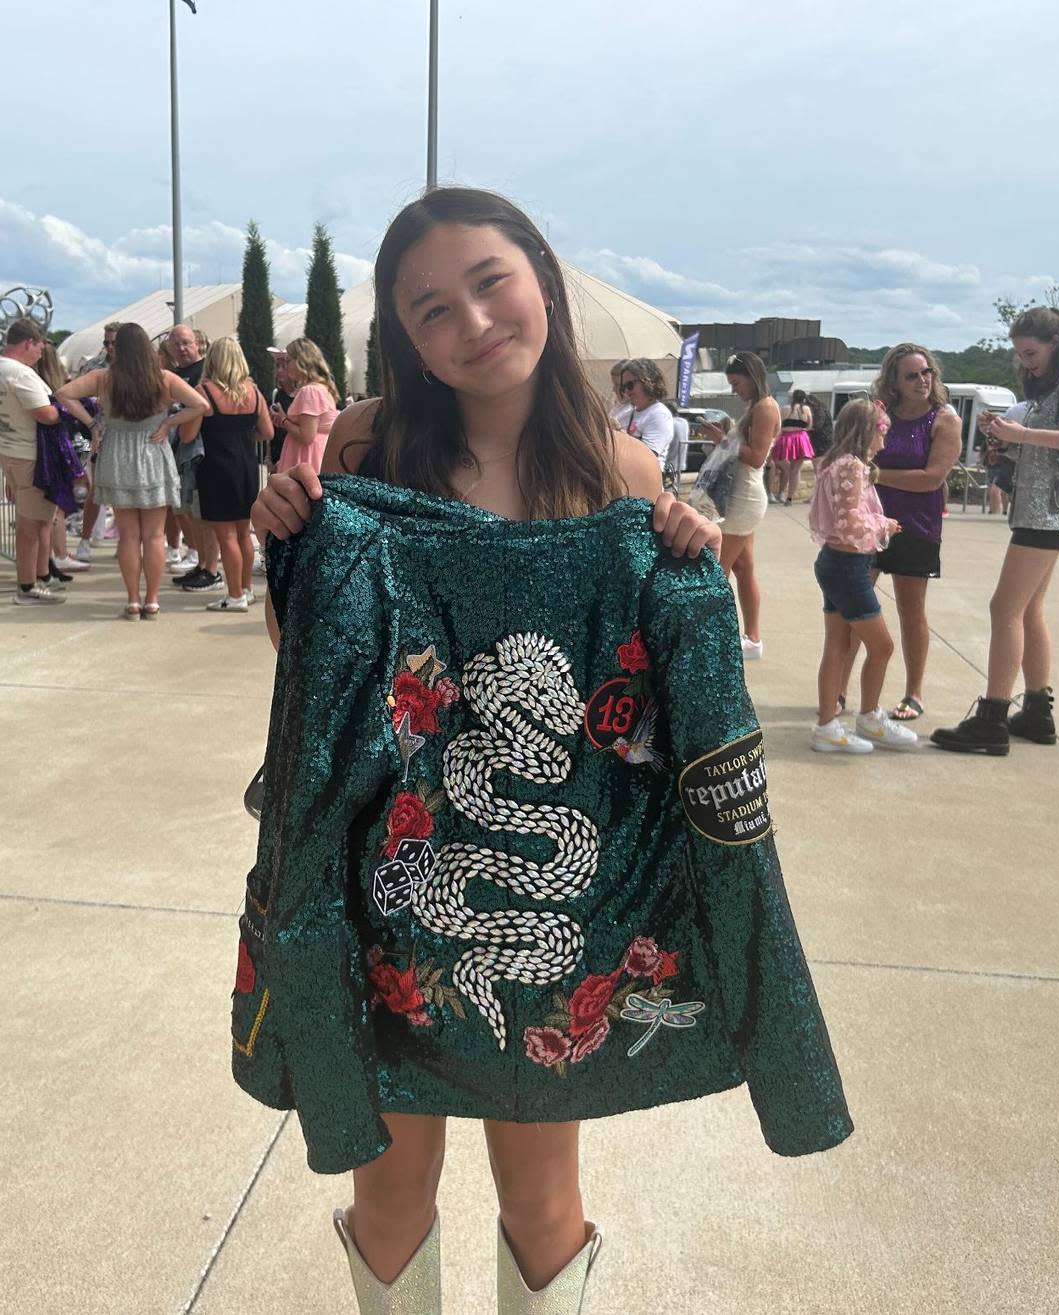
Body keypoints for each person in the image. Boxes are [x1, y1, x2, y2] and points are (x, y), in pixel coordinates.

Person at [240, 186, 851, 1315]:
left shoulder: (616, 465)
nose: (470, 321)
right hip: (387, 878)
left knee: (541, 1196)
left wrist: (691, 554)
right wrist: (288, 541)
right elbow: (309, 658)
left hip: (561, 905)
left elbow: (644, 691)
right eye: (430, 309)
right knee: (392, 1190)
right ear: (406, 337)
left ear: (541, 279)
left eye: (488, 281)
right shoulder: (370, 441)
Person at [932, 308, 1059, 755]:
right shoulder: (1054, 379)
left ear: (1056, 341)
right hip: (1046, 508)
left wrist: (1025, 434)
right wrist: (1012, 442)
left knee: (1004, 608)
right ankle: (1036, 710)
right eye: (1019, 354)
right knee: (1029, 609)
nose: (1026, 361)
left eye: (1031, 352)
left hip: (1051, 510)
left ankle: (992, 717)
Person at [838, 344, 962, 722]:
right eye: (912, 375)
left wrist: (876, 475)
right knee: (854, 612)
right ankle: (838, 690)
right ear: (893, 380)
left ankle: (914, 693)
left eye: (927, 373)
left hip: (916, 526)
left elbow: (932, 479)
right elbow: (853, 456)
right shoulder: (878, 414)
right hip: (867, 525)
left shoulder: (944, 420)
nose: (922, 381)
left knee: (912, 612)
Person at [58, 323, 209, 618]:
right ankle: (152, 600)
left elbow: (63, 393)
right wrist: (167, 424)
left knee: (128, 536)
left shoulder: (104, 379)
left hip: (117, 456)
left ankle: (132, 600)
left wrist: (93, 425)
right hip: (153, 452)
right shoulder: (164, 379)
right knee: (154, 536)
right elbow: (200, 405)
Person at [808, 400, 918, 753]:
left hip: (836, 563)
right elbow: (849, 523)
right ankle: (870, 717)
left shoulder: (835, 464)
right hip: (848, 566)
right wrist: (885, 524)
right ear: (866, 432)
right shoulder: (851, 467)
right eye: (881, 432)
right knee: (882, 645)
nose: (883, 442)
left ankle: (828, 724)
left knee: (837, 646)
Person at [696, 352, 780, 657]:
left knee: (718, 570)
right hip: (742, 497)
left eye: (736, 382)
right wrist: (725, 437)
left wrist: (724, 440)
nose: (734, 389)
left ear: (751, 376)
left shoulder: (764, 408)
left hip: (744, 498)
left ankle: (713, 639)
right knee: (743, 569)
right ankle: (752, 638)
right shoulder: (758, 407)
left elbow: (757, 456)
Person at [182, 337, 273, 613]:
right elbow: (267, 433)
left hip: (217, 469)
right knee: (244, 533)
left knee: (226, 537)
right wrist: (242, 438)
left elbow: (187, 435)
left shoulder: (205, 392)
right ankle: (245, 590)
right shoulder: (254, 392)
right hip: (246, 468)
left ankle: (234, 596)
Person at [1, 318, 66, 604]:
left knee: (42, 519)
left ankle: (41, 575)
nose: (41, 352)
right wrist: (64, 410)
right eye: (40, 346)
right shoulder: (20, 374)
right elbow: (46, 414)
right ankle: (27, 585)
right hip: (29, 454)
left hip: (11, 450)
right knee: (30, 524)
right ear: (28, 343)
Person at [165, 323, 223, 592]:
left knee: (203, 515)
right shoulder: (177, 373)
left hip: (202, 452)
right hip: (182, 453)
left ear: (197, 343)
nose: (182, 348)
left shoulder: (204, 373)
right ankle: (202, 563)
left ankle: (211, 569)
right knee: (189, 512)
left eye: (186, 342)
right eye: (177, 344)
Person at [33, 340, 90, 580]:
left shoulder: (40, 385)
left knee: (52, 509)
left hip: (47, 450)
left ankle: (53, 557)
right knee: (53, 509)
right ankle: (55, 557)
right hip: (57, 451)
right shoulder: (54, 389)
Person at [74, 322, 119, 563]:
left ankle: (125, 542)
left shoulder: (136, 370)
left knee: (125, 494)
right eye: (106, 342)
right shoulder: (94, 367)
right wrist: (90, 414)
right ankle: (84, 540)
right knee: (96, 491)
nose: (110, 347)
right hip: (100, 437)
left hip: (126, 439)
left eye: (114, 342)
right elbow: (71, 397)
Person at [271, 337, 339, 473]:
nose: (286, 366)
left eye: (288, 361)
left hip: (306, 459)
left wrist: (284, 420)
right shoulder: (320, 388)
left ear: (300, 362)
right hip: (313, 456)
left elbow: (306, 436)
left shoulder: (310, 391)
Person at [616, 358, 673, 471]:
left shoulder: (659, 414)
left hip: (645, 484)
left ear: (648, 381)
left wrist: (618, 432)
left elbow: (647, 457)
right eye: (623, 388)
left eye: (630, 385)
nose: (626, 391)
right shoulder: (625, 414)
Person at [770, 389, 815, 503]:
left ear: (793, 398)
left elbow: (778, 425)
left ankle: (776, 493)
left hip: (786, 439)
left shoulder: (785, 409)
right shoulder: (806, 409)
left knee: (783, 465)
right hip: (801, 438)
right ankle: (789, 497)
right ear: (804, 399)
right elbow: (809, 426)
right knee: (796, 470)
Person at [983, 401, 1025, 516]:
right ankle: (996, 512)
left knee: (997, 490)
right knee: (997, 490)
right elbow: (1008, 448)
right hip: (999, 464)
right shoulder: (1015, 410)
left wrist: (1024, 434)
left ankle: (999, 512)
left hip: (1004, 465)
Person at [807, 392, 833, 472]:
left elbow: (818, 425)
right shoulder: (823, 409)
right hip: (825, 440)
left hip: (821, 441)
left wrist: (807, 428)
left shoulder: (819, 410)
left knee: (818, 466)